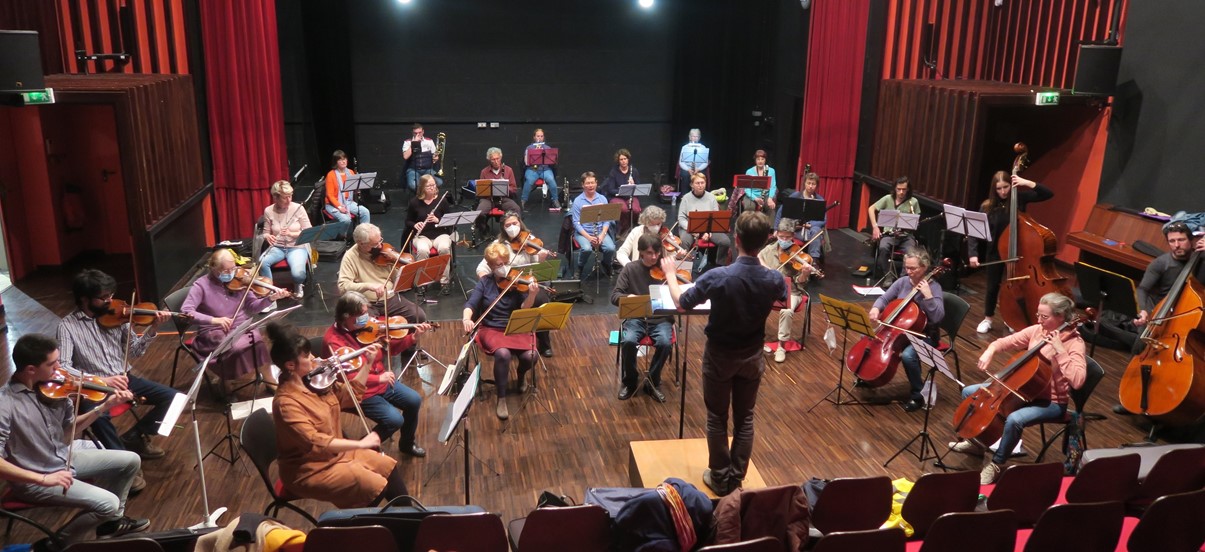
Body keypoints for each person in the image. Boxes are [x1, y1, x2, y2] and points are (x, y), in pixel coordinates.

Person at [659, 211, 787, 497]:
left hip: (720, 356)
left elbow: (682, 303)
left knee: (717, 417)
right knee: (746, 418)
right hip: (752, 356)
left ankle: (719, 477)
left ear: (736, 239)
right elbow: (782, 298)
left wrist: (670, 275)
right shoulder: (774, 279)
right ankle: (736, 478)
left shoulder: (718, 276)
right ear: (767, 240)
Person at [0, 335, 148, 551]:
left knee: (130, 460)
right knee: (108, 503)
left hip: (63, 458)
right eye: (52, 364)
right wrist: (43, 478)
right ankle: (54, 545)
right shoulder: (5, 404)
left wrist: (103, 408)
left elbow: (68, 434)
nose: (60, 369)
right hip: (36, 478)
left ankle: (111, 524)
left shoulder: (55, 391)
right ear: (31, 370)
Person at [266, 322, 409, 509]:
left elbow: (351, 396)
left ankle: (413, 519)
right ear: (290, 365)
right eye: (307, 356)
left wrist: (367, 363)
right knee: (374, 486)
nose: (315, 358)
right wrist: (359, 443)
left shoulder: (317, 382)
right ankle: (352, 529)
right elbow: (316, 442)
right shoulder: (286, 403)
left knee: (387, 467)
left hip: (337, 454)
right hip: (309, 469)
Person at [949, 292, 1086, 484]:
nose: (1039, 320)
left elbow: (1078, 381)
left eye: (1044, 317)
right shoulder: (1038, 330)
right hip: (1022, 391)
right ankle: (977, 444)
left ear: (1061, 317)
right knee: (969, 392)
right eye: (1038, 315)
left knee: (1014, 419)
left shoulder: (1074, 343)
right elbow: (1006, 342)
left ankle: (997, 464)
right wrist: (990, 351)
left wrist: (1061, 351)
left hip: (1051, 402)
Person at [58, 269, 177, 462]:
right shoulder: (67, 327)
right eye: (103, 297)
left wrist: (153, 327)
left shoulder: (119, 316)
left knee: (175, 399)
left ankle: (135, 437)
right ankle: (124, 461)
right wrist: (102, 379)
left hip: (125, 379)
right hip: (94, 388)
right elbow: (63, 367)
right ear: (84, 299)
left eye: (110, 295)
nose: (109, 301)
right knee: (98, 417)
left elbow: (135, 351)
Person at [322, 292, 431, 457]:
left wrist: (413, 337)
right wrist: (379, 378)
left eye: (367, 312)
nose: (367, 318)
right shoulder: (334, 342)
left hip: (382, 382)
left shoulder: (368, 327)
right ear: (347, 317)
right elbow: (350, 379)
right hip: (360, 393)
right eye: (362, 315)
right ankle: (359, 451)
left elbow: (392, 349)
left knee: (414, 400)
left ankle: (407, 444)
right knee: (394, 420)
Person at [182, 249, 289, 384]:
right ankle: (226, 381)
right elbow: (186, 312)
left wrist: (271, 298)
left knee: (258, 342)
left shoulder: (240, 279)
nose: (232, 273)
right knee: (235, 347)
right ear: (213, 268)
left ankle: (270, 381)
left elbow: (253, 306)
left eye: (233, 268)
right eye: (226, 271)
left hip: (241, 326)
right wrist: (214, 320)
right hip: (213, 331)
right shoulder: (201, 285)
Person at [966, 172, 1053, 333]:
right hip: (995, 252)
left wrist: (1025, 182)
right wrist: (973, 254)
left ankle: (1012, 318)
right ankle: (988, 318)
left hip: (1019, 253)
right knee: (992, 287)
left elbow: (1047, 193)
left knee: (1017, 286)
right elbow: (974, 232)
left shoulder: (1019, 199)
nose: (1003, 192)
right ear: (994, 189)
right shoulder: (987, 206)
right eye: (999, 188)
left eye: (1006, 187)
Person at [462, 243, 540, 420]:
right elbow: (471, 304)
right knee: (503, 354)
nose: (503, 267)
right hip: (491, 327)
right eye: (498, 265)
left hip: (515, 326)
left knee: (532, 355)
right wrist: (467, 318)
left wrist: (532, 295)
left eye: (505, 262)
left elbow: (523, 307)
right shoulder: (485, 282)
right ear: (490, 266)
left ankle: (521, 375)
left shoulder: (517, 280)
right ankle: (502, 397)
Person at [866, 247, 944, 412]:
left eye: (912, 268)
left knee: (909, 356)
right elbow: (885, 297)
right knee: (868, 337)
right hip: (899, 330)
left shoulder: (934, 287)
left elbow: (937, 317)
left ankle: (918, 395)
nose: (908, 271)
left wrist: (928, 296)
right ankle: (868, 375)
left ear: (924, 267)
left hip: (924, 334)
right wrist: (876, 308)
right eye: (906, 267)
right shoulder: (902, 282)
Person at [474, 211, 555, 357]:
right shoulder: (498, 244)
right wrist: (490, 283)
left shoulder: (530, 240)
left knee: (541, 300)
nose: (512, 227)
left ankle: (544, 343)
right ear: (503, 228)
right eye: (508, 225)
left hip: (526, 285)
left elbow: (536, 268)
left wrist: (541, 258)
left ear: (520, 223)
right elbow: (481, 269)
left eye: (515, 223)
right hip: (508, 288)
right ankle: (513, 339)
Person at [612, 234, 675, 403]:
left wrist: (672, 279)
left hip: (661, 318)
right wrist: (629, 297)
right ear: (640, 252)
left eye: (656, 253)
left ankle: (653, 382)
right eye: (649, 253)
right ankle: (630, 382)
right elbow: (615, 296)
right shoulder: (630, 269)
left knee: (665, 343)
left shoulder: (666, 270)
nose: (654, 257)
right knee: (629, 341)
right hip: (636, 318)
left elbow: (679, 295)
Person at [337, 223, 428, 327]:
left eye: (380, 240)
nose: (380, 246)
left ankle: (409, 342)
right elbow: (343, 287)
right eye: (375, 245)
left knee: (418, 316)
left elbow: (396, 280)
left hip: (389, 298)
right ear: (361, 243)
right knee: (367, 327)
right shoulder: (350, 257)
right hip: (366, 303)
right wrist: (368, 286)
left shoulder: (386, 252)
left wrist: (397, 265)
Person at [758, 218, 814, 364]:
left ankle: (781, 347)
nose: (784, 240)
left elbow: (800, 282)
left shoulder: (798, 253)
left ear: (792, 237)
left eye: (787, 238)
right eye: (781, 237)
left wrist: (804, 274)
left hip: (791, 291)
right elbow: (758, 257)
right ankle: (755, 339)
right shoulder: (769, 249)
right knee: (752, 302)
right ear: (776, 234)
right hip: (770, 289)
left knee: (787, 310)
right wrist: (767, 269)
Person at [260, 180, 312, 298]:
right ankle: (270, 291)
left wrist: (291, 233)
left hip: (296, 247)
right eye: (285, 197)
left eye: (290, 196)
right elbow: (265, 233)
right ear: (276, 198)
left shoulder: (298, 208)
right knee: (262, 262)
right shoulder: (268, 210)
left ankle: (298, 284)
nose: (289, 200)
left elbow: (308, 231)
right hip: (277, 247)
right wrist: (268, 237)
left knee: (298, 275)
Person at [868, 176, 920, 284]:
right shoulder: (888, 199)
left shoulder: (913, 202)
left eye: (904, 189)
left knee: (911, 252)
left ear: (908, 189)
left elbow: (916, 221)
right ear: (895, 188)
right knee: (883, 247)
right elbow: (871, 208)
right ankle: (888, 275)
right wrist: (875, 227)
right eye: (898, 189)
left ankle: (902, 279)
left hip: (906, 236)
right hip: (889, 235)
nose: (901, 192)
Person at [406, 174, 454, 292]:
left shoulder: (442, 201)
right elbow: (408, 221)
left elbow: (450, 221)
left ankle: (445, 282)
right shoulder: (414, 202)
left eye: (434, 185)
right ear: (422, 188)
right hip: (422, 236)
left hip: (440, 234)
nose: (432, 188)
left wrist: (438, 220)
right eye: (429, 186)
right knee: (422, 250)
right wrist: (415, 225)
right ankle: (421, 282)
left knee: (444, 248)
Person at [678, 173, 731, 271]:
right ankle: (685, 269)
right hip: (690, 228)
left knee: (725, 242)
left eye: (702, 183)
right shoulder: (686, 198)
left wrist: (709, 232)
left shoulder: (711, 197)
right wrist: (690, 229)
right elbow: (681, 218)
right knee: (684, 241)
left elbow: (716, 216)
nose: (700, 185)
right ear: (692, 185)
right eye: (697, 183)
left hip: (709, 228)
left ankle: (719, 267)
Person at [571, 171, 617, 279]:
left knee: (610, 248)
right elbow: (576, 223)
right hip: (583, 233)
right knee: (586, 248)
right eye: (587, 183)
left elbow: (607, 220)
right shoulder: (577, 201)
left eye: (592, 183)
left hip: (600, 231)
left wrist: (601, 235)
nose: (590, 185)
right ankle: (580, 267)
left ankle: (606, 264)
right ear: (583, 185)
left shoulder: (602, 199)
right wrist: (589, 237)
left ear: (596, 183)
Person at [779, 172, 826, 261]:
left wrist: (810, 224)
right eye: (808, 183)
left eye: (813, 184)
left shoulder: (819, 200)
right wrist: (776, 229)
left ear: (816, 186)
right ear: (804, 183)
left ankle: (814, 260)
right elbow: (781, 211)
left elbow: (823, 219)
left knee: (817, 231)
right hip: (796, 230)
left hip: (810, 230)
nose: (810, 186)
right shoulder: (795, 196)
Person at [476, 147, 523, 236]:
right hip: (488, 199)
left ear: (501, 158)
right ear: (489, 160)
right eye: (493, 159)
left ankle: (517, 232)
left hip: (504, 198)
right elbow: (480, 191)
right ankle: (483, 228)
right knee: (479, 213)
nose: (496, 161)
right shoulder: (484, 172)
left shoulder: (508, 170)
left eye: (497, 159)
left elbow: (514, 188)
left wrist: (504, 186)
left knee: (516, 209)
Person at [617, 206, 682, 267]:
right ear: (645, 222)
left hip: (660, 271)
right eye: (652, 224)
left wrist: (677, 256)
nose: (656, 227)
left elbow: (671, 257)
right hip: (640, 270)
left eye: (658, 224)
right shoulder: (636, 231)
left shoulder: (667, 233)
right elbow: (621, 252)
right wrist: (630, 266)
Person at [600, 149, 644, 237]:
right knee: (623, 209)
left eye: (625, 159)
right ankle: (622, 230)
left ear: (628, 159)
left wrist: (633, 185)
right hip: (616, 196)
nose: (623, 161)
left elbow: (638, 187)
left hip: (630, 196)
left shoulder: (633, 171)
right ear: (618, 161)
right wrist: (623, 190)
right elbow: (611, 189)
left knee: (635, 210)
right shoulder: (614, 172)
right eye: (621, 159)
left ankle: (634, 228)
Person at [324, 149, 370, 226]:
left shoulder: (350, 172)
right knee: (346, 220)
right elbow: (330, 195)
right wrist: (339, 206)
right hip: (333, 204)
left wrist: (357, 189)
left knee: (365, 212)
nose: (343, 161)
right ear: (336, 162)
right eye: (340, 160)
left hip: (348, 202)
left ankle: (363, 234)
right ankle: (342, 236)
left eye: (344, 159)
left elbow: (352, 189)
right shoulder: (331, 175)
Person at [522, 128, 561, 211]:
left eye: (541, 136)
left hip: (545, 169)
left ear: (543, 137)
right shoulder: (529, 148)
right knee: (529, 181)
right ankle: (523, 201)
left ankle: (555, 199)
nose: (539, 138)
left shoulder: (547, 147)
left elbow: (552, 161)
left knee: (551, 179)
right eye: (538, 136)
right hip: (532, 169)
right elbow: (526, 162)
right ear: (534, 137)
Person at [402, 123, 441, 191]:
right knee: (413, 185)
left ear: (423, 132)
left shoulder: (429, 141)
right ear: (412, 133)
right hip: (413, 170)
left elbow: (435, 156)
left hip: (427, 169)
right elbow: (405, 157)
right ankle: (420, 198)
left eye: (420, 132)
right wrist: (413, 143)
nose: (418, 135)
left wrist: (435, 158)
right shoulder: (407, 142)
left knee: (439, 182)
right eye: (415, 133)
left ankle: (426, 196)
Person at [741, 150, 777, 215]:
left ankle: (769, 225)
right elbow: (747, 189)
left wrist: (770, 198)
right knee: (750, 207)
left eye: (762, 159)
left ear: (765, 160)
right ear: (755, 160)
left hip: (765, 196)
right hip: (752, 196)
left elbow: (773, 186)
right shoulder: (749, 171)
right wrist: (755, 198)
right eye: (758, 159)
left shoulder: (771, 171)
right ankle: (750, 225)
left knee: (771, 207)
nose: (760, 161)